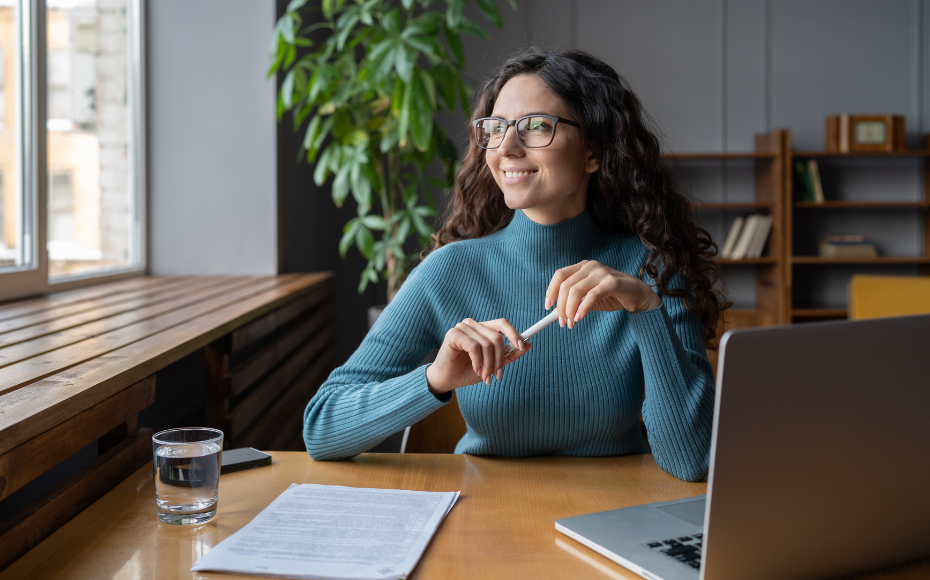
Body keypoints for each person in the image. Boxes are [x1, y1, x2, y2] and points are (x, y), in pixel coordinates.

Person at [303, 49, 728, 482]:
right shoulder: (449, 271)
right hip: (484, 514)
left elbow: (692, 460)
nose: (506, 148)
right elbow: (322, 427)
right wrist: (435, 378)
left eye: (536, 126)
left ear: (593, 152)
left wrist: (646, 308)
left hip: (615, 512)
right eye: (495, 128)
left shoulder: (652, 269)